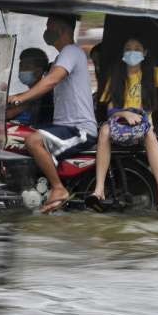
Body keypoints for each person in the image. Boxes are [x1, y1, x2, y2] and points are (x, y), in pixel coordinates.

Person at [7, 15, 98, 213]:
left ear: (63, 29)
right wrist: (6, 109)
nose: (46, 29)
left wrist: (19, 98)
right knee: (20, 137)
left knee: (33, 141)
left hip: (79, 128)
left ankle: (59, 189)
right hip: (63, 127)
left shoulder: (71, 52)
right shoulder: (60, 58)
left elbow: (51, 81)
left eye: (50, 26)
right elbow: (38, 94)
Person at [85, 36, 158, 215]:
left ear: (144, 53)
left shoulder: (152, 74)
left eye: (137, 48)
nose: (132, 52)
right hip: (119, 126)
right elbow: (109, 111)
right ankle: (98, 189)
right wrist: (124, 113)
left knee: (150, 133)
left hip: (143, 128)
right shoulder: (114, 76)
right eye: (128, 48)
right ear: (123, 54)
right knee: (104, 131)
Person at [6, 48, 54, 126]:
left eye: (27, 67)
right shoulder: (28, 95)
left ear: (39, 71)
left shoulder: (43, 96)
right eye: (21, 66)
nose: (22, 70)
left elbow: (8, 114)